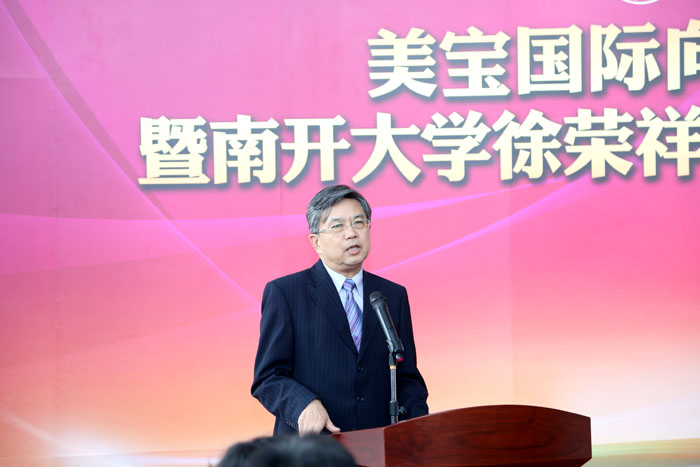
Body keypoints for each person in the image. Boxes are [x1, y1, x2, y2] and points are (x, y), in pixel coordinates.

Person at [251, 185, 428, 436]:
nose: (351, 233)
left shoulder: (392, 295)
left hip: (378, 445)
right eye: (337, 226)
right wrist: (303, 404)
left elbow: (407, 378)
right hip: (313, 447)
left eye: (359, 223)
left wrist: (420, 432)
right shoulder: (286, 293)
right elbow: (268, 377)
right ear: (316, 242)